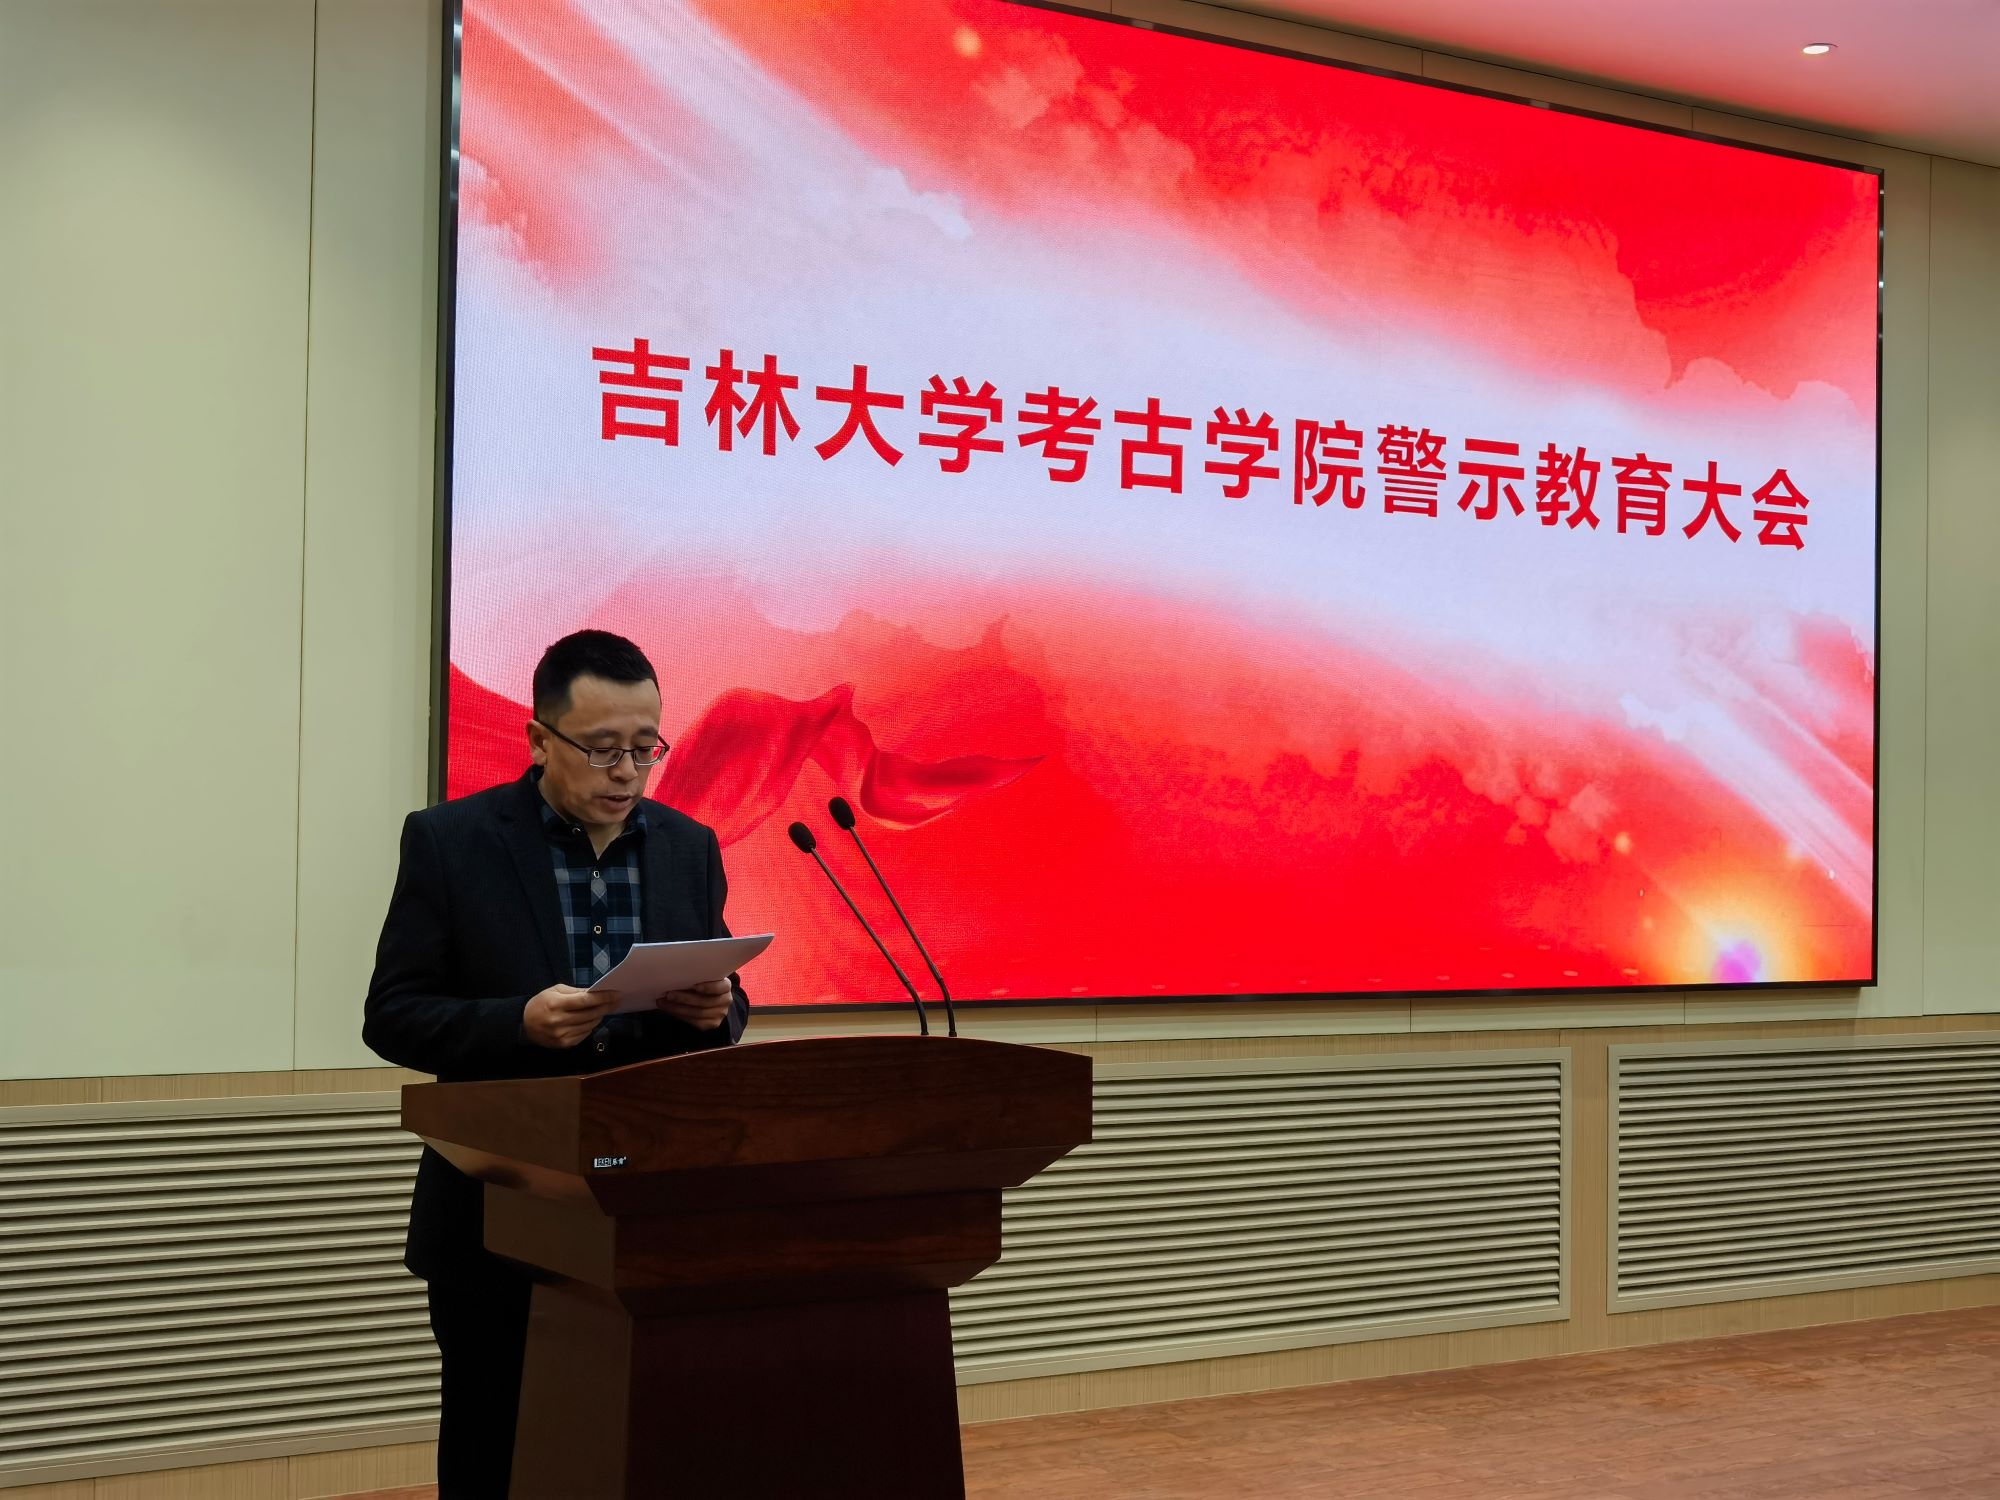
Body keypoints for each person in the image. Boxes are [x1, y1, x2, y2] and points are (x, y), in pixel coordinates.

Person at [363, 629, 749, 1498]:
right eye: (603, 748)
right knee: (494, 1448)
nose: (627, 772)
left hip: (645, 1215)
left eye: (645, 748)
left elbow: (726, 997)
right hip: (498, 1210)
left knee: (636, 1448)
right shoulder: (451, 842)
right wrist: (518, 1023)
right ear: (540, 740)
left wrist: (717, 1011)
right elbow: (392, 1016)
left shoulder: (688, 847)